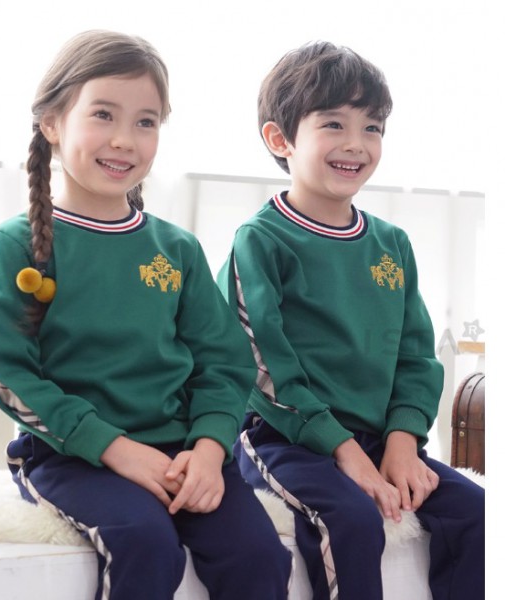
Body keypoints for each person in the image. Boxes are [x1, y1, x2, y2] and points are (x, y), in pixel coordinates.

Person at [0, 30, 292, 600]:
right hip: (70, 455)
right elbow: (7, 371)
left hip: (184, 452)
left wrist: (210, 449)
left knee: (259, 556)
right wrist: (114, 449)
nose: (125, 140)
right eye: (103, 114)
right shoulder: (15, 244)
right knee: (146, 543)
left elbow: (224, 364)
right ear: (52, 123)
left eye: (146, 122)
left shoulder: (178, 249)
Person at [217, 40, 485, 600]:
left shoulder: (392, 244)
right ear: (280, 139)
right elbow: (261, 366)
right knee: (353, 521)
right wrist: (346, 454)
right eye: (334, 124)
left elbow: (415, 355)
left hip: (379, 437)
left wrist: (403, 441)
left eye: (372, 127)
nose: (356, 144)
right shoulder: (259, 241)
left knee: (477, 512)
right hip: (284, 439)